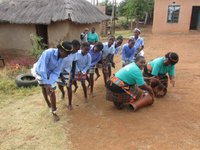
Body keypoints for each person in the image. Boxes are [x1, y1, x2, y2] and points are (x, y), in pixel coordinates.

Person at [31, 41, 72, 122]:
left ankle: (54, 112)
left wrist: (49, 84)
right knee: (43, 87)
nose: (67, 56)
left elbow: (56, 72)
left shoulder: (62, 59)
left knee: (51, 91)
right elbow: (42, 69)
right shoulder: (48, 53)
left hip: (50, 74)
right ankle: (48, 103)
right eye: (67, 53)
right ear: (61, 51)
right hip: (39, 72)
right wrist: (46, 84)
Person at [57, 40, 81, 110]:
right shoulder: (64, 52)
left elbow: (74, 64)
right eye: (76, 49)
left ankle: (70, 104)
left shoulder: (75, 54)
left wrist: (73, 75)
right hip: (58, 71)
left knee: (69, 86)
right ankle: (63, 92)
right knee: (60, 85)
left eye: (78, 50)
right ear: (72, 47)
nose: (77, 51)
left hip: (67, 71)